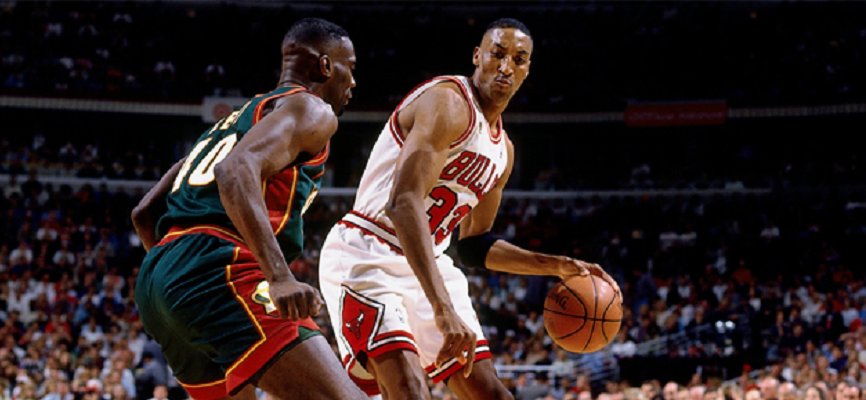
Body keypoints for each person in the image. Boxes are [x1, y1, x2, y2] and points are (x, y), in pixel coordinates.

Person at [319, 18, 620, 399]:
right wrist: (442, 307)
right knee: (409, 389)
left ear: (528, 70)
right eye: (497, 54)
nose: (506, 66)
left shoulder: (503, 152)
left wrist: (557, 265)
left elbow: (475, 246)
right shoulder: (447, 101)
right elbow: (402, 203)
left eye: (518, 59)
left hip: (429, 262)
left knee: (492, 394)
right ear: (477, 56)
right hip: (369, 251)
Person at [131, 18, 364, 400]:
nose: (353, 82)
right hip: (217, 266)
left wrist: (174, 280)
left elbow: (144, 213)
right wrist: (279, 277)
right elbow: (235, 170)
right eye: (350, 68)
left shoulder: (231, 123)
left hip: (158, 278)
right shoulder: (311, 108)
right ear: (325, 66)